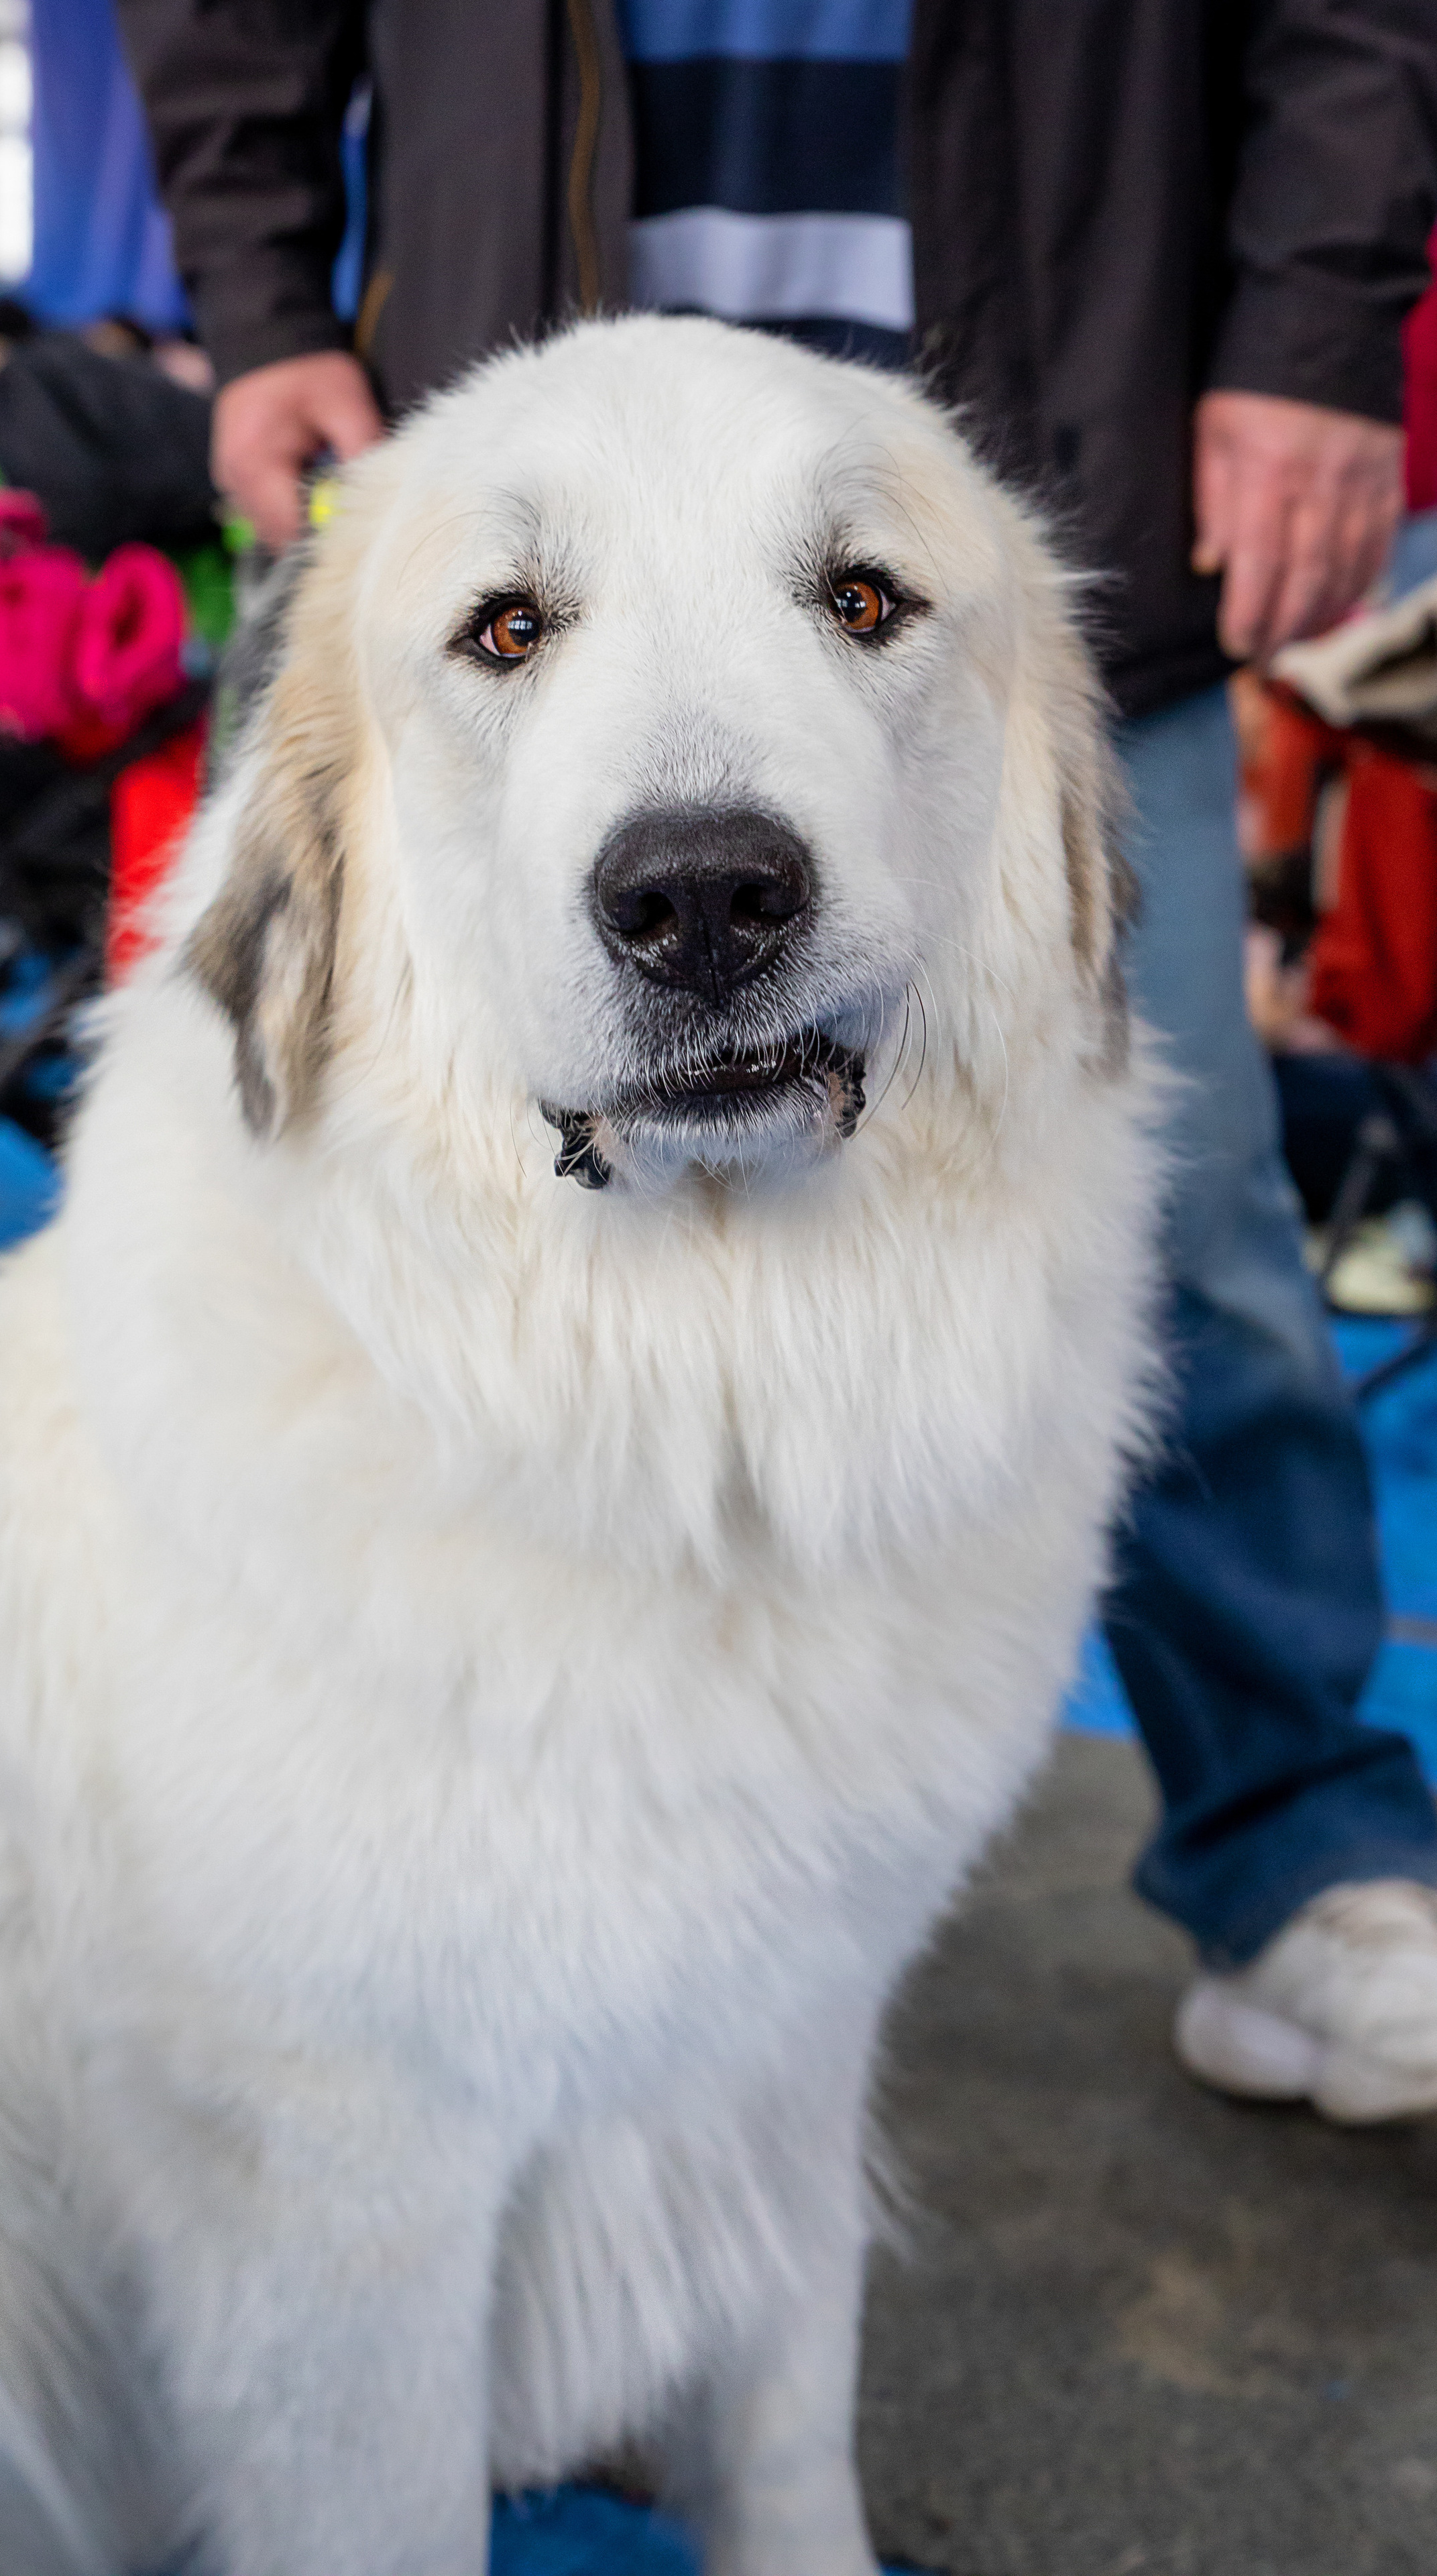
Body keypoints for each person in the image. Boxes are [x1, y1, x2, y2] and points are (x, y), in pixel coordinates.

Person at [116, 0, 1437, 2123]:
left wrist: (1313, 320)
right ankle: (376, 1905)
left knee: (1182, 1221)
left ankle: (1302, 1849)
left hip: (1037, 431)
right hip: (495, 405)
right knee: (312, 1203)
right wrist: (263, 296)